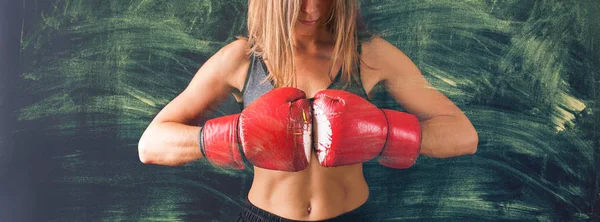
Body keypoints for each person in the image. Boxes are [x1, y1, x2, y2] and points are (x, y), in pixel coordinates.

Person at [138, 0, 479, 221]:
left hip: (352, 214)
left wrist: (385, 135)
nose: (312, 4)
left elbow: (463, 135)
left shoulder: (369, 54)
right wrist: (232, 137)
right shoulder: (244, 58)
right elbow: (150, 144)